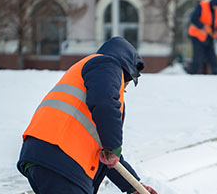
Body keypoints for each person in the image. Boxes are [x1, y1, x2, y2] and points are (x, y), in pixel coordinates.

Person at [17, 37, 157, 194]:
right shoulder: (106, 64)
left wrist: (132, 186)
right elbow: (105, 103)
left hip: (46, 156)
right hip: (61, 158)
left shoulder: (90, 75)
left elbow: (107, 155)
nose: (123, 87)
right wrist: (114, 147)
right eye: (127, 83)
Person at [187, 0, 217, 74]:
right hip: (197, 36)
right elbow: (193, 19)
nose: (216, 8)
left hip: (209, 37)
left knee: (213, 58)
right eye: (216, 6)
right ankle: (191, 76)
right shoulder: (202, 6)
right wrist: (203, 26)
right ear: (212, 4)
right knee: (198, 58)